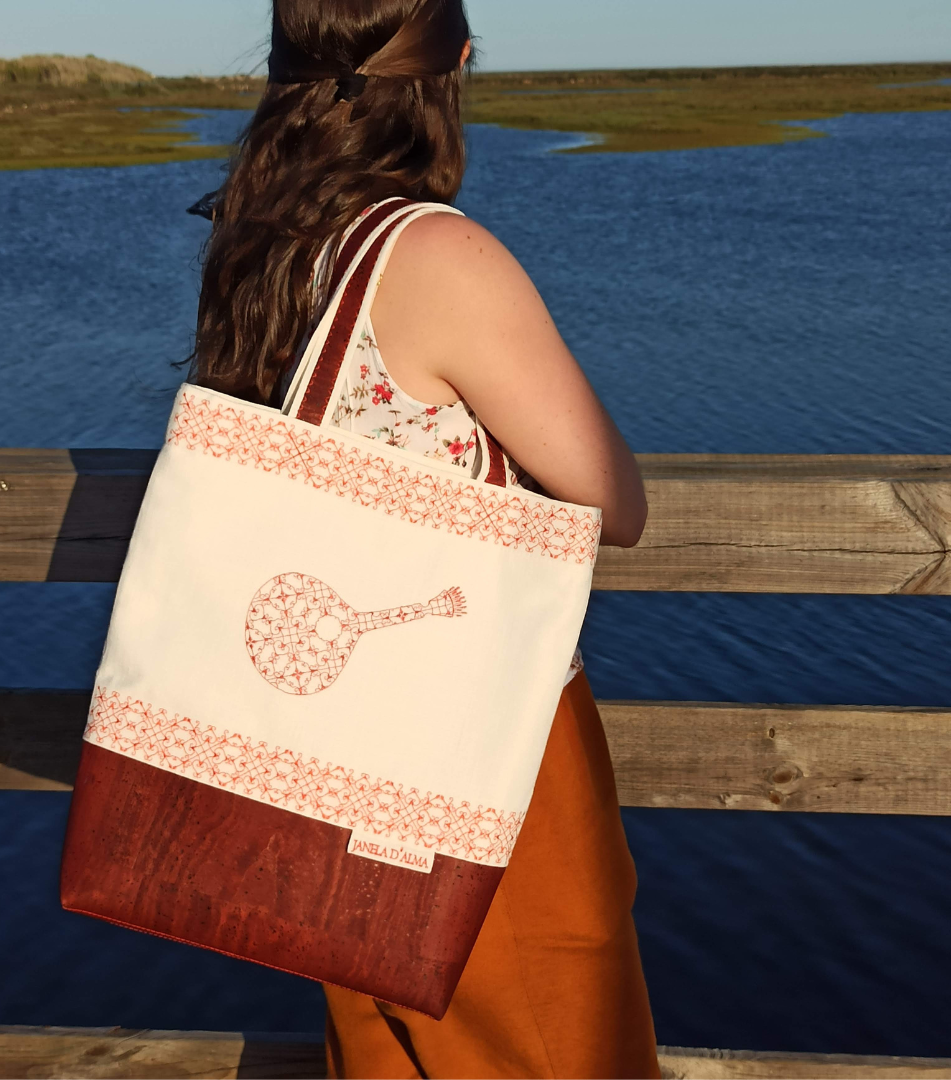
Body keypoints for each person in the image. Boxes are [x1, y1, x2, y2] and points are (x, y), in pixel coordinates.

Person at [189, 2, 658, 1077]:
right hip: (475, 747)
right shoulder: (435, 255)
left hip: (329, 754)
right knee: (554, 1037)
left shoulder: (263, 246)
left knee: (389, 1048)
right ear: (446, 75)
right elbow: (614, 500)